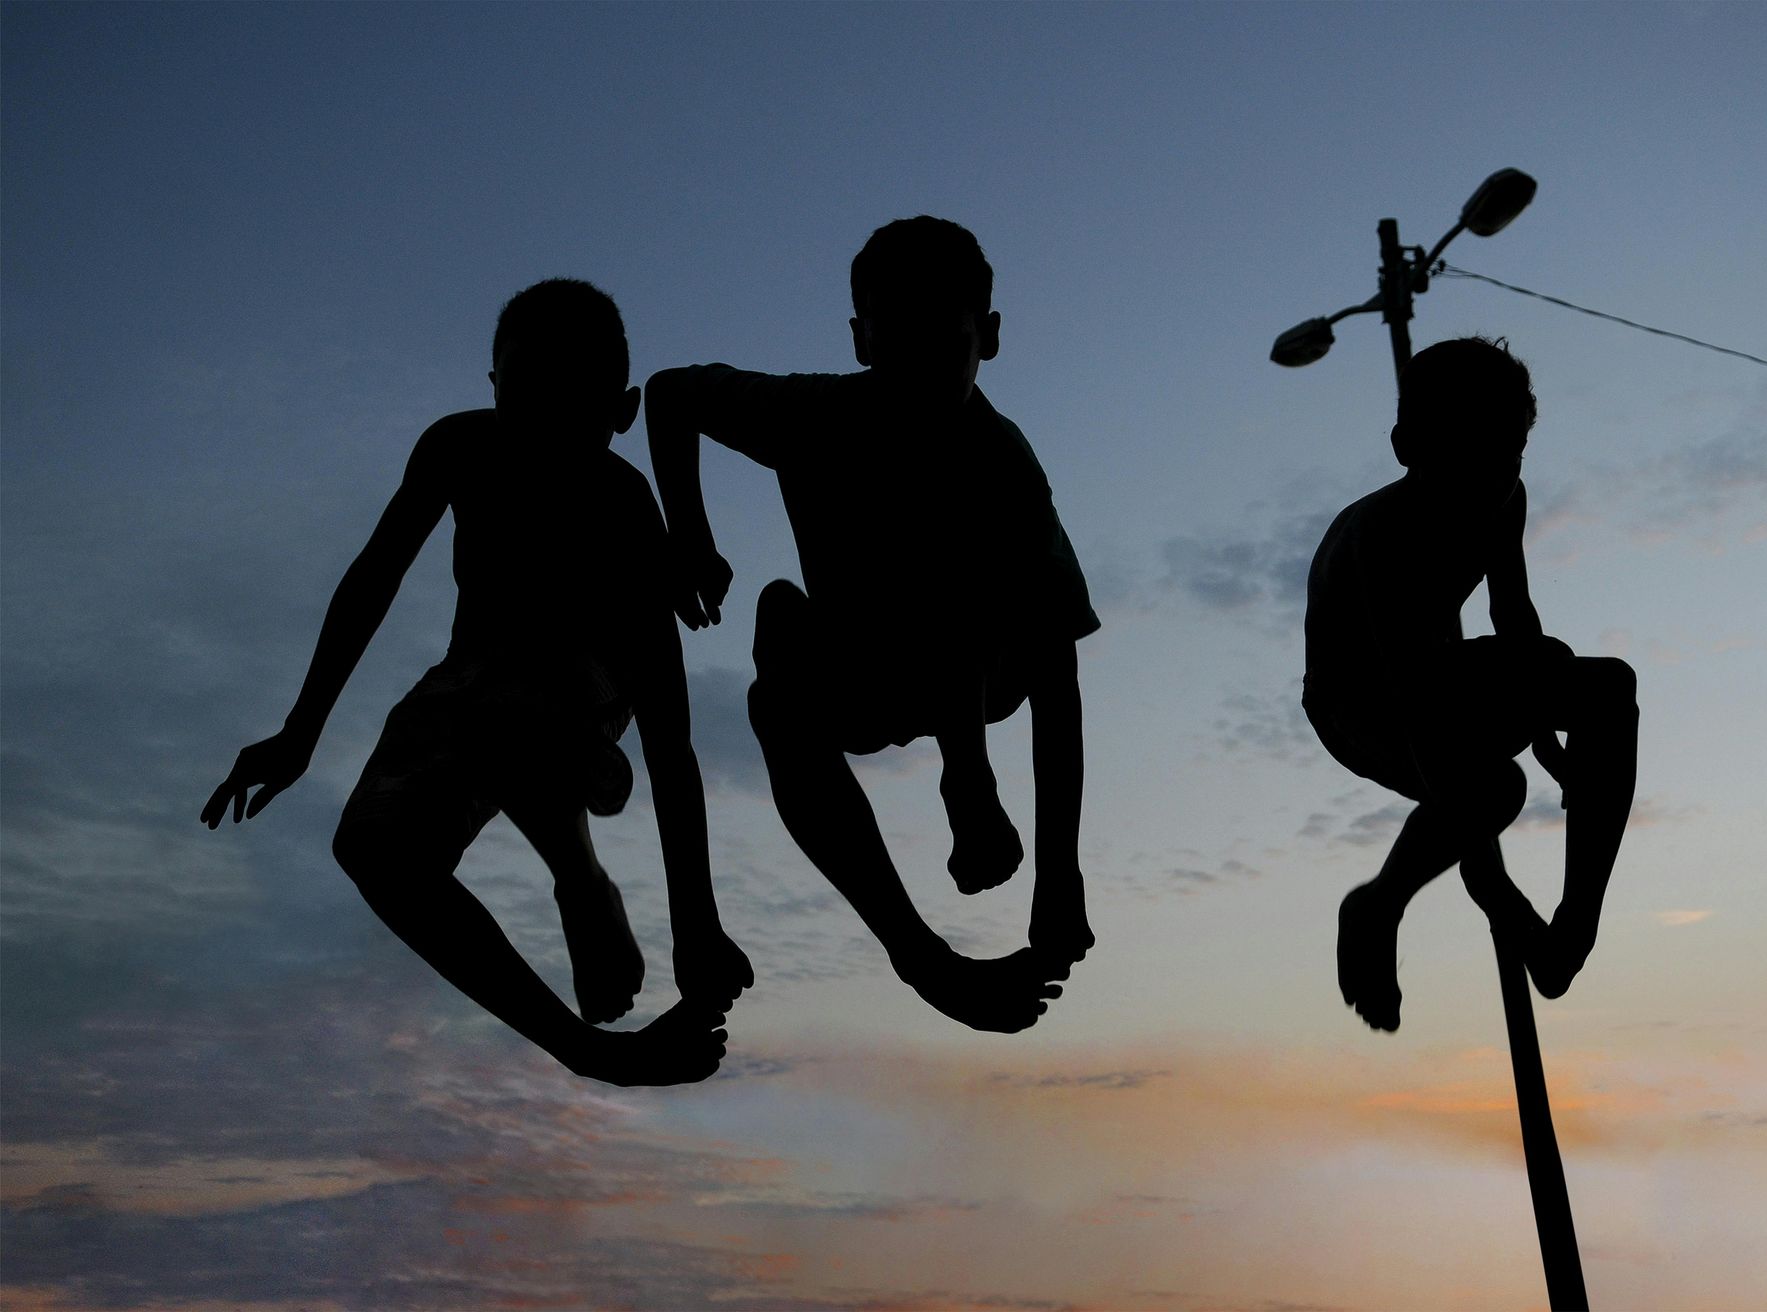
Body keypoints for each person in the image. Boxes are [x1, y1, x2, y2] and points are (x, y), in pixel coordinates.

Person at [202, 279, 752, 1085]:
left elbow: (671, 733)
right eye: (524, 388)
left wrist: (695, 922)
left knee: (516, 710)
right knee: (371, 844)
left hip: (583, 694)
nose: (541, 419)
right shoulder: (459, 448)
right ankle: (585, 1020)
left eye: (572, 398)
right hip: (471, 678)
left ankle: (577, 860)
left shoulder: (625, 510)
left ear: (621, 411)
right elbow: (374, 576)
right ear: (493, 387)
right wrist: (300, 732)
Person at [644, 216, 1098, 1033]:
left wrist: (1058, 877)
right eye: (899, 344)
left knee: (959, 553)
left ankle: (968, 777)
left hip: (983, 670)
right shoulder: (815, 413)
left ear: (987, 337)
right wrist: (688, 534)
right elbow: (672, 394)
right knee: (779, 614)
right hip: (865, 675)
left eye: (946, 344)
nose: (922, 372)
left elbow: (1056, 666)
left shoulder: (1003, 462)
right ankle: (920, 958)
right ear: (862, 340)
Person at [1302, 336, 1639, 1032]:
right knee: (1492, 790)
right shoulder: (1380, 534)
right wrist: (1482, 866)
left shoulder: (1502, 497)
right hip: (1359, 704)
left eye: (1509, 455)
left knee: (1597, 686)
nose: (1492, 478)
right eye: (1470, 457)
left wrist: (1551, 746)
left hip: (1439, 678)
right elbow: (1412, 701)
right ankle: (1379, 904)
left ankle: (1569, 937)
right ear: (1408, 448)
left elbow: (1512, 615)